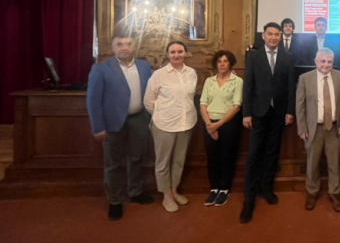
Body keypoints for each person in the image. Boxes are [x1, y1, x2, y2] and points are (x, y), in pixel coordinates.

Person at [86, 33, 153, 221]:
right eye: (119, 44)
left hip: (138, 119)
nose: (124, 47)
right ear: (113, 47)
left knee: (137, 158)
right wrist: (97, 127)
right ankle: (115, 201)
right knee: (113, 163)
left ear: (134, 46)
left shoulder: (144, 66)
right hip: (112, 122)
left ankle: (135, 191)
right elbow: (93, 100)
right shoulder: (100, 69)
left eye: (128, 43)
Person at [240, 22, 296, 224]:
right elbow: (248, 85)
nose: (273, 37)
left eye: (276, 34)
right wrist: (246, 113)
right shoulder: (254, 56)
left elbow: (291, 86)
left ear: (280, 37)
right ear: (263, 36)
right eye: (270, 34)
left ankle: (266, 189)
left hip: (278, 113)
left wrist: (290, 110)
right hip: (257, 113)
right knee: (254, 154)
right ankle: (249, 199)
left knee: (272, 152)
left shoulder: (287, 57)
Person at [144, 41, 198, 213]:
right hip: (164, 124)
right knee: (163, 162)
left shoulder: (191, 73)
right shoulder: (159, 75)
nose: (176, 55)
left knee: (179, 160)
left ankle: (174, 190)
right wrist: (162, 114)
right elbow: (148, 101)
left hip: (186, 123)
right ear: (167, 54)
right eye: (173, 52)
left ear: (185, 53)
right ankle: (166, 195)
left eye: (180, 51)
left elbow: (190, 97)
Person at [296, 48, 340, 212]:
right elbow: (300, 106)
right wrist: (302, 128)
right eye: (323, 61)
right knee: (312, 162)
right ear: (316, 61)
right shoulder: (305, 78)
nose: (326, 65)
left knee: (334, 162)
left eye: (329, 62)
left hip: (334, 127)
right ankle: (312, 192)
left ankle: (334, 193)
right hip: (314, 128)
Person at [199, 50, 243, 207]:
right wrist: (209, 125)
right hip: (209, 123)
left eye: (225, 61)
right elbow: (203, 103)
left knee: (227, 157)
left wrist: (218, 125)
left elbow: (236, 106)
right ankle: (214, 188)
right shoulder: (209, 81)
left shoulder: (237, 81)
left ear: (230, 63)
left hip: (228, 124)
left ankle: (224, 189)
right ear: (215, 64)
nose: (222, 64)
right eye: (219, 61)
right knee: (212, 158)